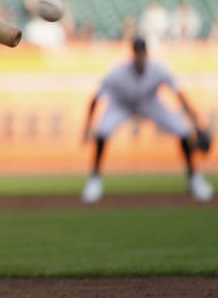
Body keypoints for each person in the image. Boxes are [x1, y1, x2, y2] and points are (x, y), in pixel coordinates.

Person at [80, 36, 213, 203]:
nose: (140, 55)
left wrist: (196, 124)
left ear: (147, 53)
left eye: (142, 51)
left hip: (149, 104)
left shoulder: (158, 69)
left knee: (183, 130)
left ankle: (194, 179)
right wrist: (87, 127)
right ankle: (94, 180)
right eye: (137, 52)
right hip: (122, 104)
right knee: (102, 131)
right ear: (133, 54)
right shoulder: (118, 72)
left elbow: (179, 96)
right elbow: (95, 98)